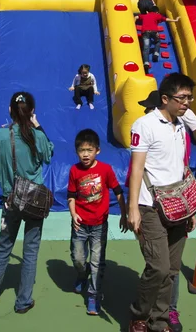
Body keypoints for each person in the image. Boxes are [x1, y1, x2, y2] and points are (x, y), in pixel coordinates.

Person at [127, 73, 196, 332]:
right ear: (165, 98)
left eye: (190, 97)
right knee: (158, 267)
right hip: (150, 206)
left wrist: (189, 208)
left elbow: (181, 168)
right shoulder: (144, 124)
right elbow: (136, 169)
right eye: (182, 98)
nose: (187, 102)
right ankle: (139, 315)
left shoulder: (180, 126)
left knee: (172, 270)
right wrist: (133, 208)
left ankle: (160, 320)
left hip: (178, 207)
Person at [0, 92, 53, 313]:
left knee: (3, 247)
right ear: (32, 112)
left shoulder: (1, 135)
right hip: (34, 200)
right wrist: (38, 127)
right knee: (30, 251)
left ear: (10, 110)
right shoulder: (36, 135)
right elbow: (48, 155)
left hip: (10, 200)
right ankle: (23, 301)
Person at [68, 129, 127, 316]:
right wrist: (73, 214)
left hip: (99, 225)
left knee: (96, 261)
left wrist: (124, 214)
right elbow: (70, 196)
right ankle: (81, 274)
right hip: (80, 224)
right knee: (78, 258)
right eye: (81, 150)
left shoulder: (105, 170)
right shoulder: (74, 170)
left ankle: (94, 295)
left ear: (97, 151)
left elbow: (118, 192)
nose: (85, 154)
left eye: (89, 150)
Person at [136, 6, 180, 71]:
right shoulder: (157, 15)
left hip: (145, 32)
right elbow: (166, 19)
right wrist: (175, 20)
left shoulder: (145, 15)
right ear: (156, 12)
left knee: (146, 47)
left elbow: (136, 17)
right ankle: (156, 53)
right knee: (157, 41)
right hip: (154, 32)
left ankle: (146, 63)